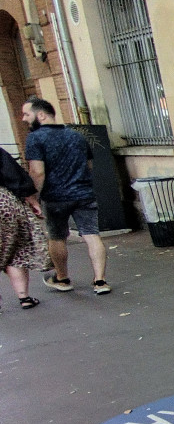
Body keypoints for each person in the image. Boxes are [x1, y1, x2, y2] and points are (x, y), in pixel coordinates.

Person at [22, 97, 109, 295]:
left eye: (27, 114)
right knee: (92, 235)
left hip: (55, 197)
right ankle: (100, 281)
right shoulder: (77, 136)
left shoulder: (35, 138)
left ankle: (62, 278)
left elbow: (37, 172)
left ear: (41, 115)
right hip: (84, 194)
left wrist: (33, 196)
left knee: (57, 237)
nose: (23, 119)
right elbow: (88, 166)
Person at [0, 148, 50, 310]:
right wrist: (32, 200)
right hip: (5, 203)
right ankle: (24, 297)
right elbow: (13, 175)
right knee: (16, 251)